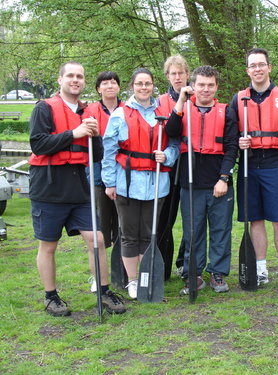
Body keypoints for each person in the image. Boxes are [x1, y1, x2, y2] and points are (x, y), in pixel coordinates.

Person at [29, 61, 126, 316]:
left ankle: (104, 292)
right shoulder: (44, 108)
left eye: (80, 76)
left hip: (78, 186)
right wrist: (75, 133)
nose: (75, 80)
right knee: (48, 244)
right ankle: (51, 297)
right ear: (60, 80)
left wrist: (93, 136)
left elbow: (97, 154)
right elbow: (38, 144)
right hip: (49, 186)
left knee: (98, 238)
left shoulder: (87, 113)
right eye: (70, 76)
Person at [102, 68, 179, 299]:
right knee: (128, 235)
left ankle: (147, 278)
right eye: (139, 84)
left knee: (148, 233)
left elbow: (175, 144)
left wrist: (166, 156)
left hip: (156, 184)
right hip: (127, 183)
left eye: (147, 83)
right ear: (132, 86)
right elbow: (109, 151)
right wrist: (109, 183)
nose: (144, 88)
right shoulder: (120, 114)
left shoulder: (164, 112)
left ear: (153, 85)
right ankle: (133, 281)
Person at [166, 65, 238, 294]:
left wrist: (224, 178)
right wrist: (181, 100)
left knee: (220, 230)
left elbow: (231, 148)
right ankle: (193, 274)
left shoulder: (226, 112)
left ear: (216, 87)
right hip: (191, 184)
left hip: (219, 182)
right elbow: (170, 131)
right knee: (193, 232)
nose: (206, 90)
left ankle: (217, 272)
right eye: (201, 85)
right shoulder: (184, 108)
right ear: (193, 86)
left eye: (210, 85)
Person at [231, 48, 278, 288]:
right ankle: (260, 269)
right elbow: (231, 135)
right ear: (247, 70)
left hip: (274, 164)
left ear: (269, 67)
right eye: (253, 65)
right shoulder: (238, 99)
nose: (257, 69)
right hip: (249, 165)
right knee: (255, 220)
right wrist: (239, 144)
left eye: (261, 64)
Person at [84, 72, 124, 294]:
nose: (110, 86)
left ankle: (121, 271)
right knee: (100, 228)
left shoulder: (127, 108)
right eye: (105, 83)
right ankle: (98, 274)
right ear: (98, 88)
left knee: (122, 226)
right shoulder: (91, 111)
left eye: (114, 82)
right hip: (98, 176)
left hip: (122, 175)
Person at [156, 55, 190, 279]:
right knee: (165, 219)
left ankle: (183, 261)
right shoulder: (159, 101)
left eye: (181, 73)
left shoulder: (196, 97)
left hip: (189, 165)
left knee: (189, 218)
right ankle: (163, 264)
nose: (177, 77)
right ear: (167, 76)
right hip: (166, 166)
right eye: (173, 74)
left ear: (187, 74)